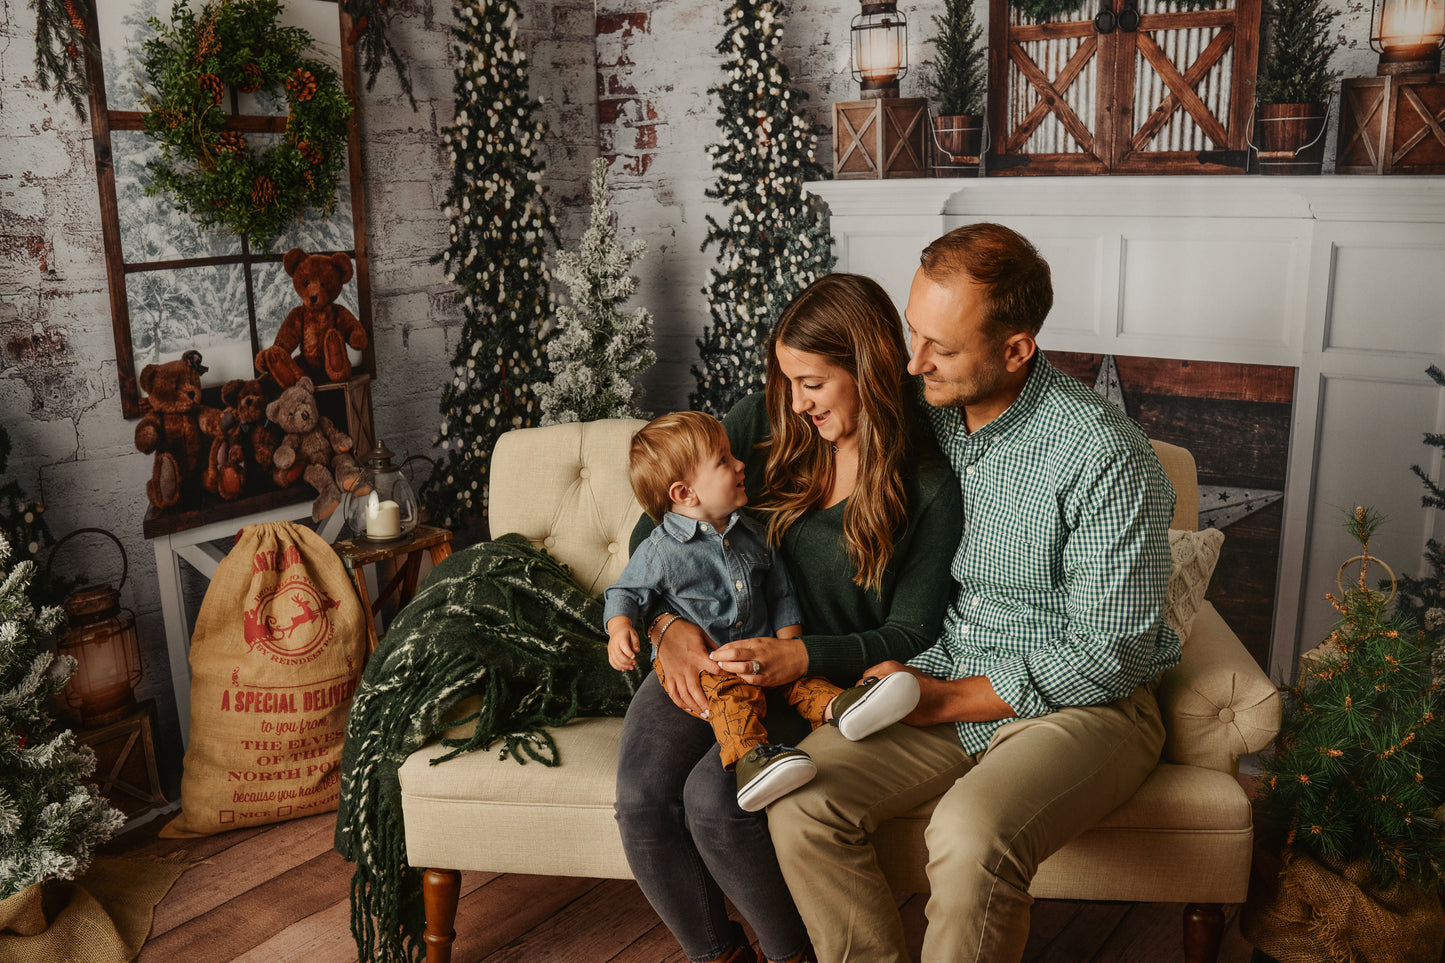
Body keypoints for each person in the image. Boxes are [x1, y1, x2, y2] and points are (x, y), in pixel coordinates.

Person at [768, 223, 1182, 963]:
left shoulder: (1103, 454)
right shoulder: (924, 403)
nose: (912, 361)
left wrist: (946, 698)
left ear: (1016, 348)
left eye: (942, 348)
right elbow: (754, 425)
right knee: (802, 801)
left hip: (1086, 704)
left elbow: (1111, 651)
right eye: (912, 333)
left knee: (965, 835)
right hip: (944, 668)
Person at [613, 274, 964, 963]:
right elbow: (655, 529)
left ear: (867, 367)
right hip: (709, 656)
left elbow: (913, 630)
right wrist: (665, 630)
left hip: (807, 678)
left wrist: (800, 658)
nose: (795, 401)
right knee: (642, 797)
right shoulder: (764, 423)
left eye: (812, 382)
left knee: (717, 801)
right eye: (787, 380)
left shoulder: (927, 485)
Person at [604, 410, 923, 812]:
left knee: (802, 682)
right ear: (685, 494)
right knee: (731, 701)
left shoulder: (753, 533)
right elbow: (626, 591)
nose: (740, 465)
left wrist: (791, 648)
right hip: (712, 665)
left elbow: (780, 592)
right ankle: (753, 762)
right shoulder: (660, 549)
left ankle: (843, 707)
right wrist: (621, 629)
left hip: (762, 647)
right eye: (723, 461)